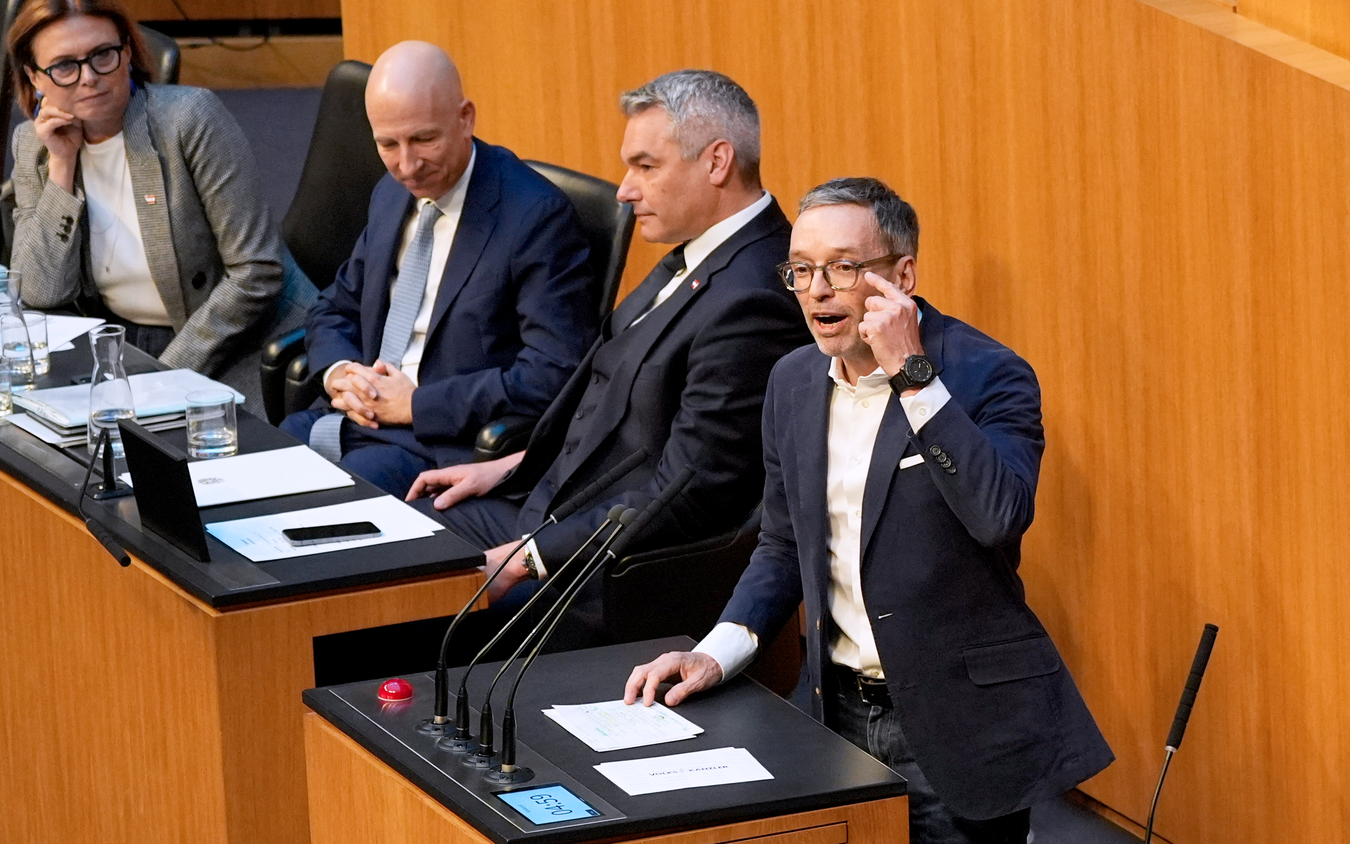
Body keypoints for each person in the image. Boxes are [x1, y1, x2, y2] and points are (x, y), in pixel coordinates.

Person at [623, 178, 1113, 844]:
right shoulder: (792, 382)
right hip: (834, 714)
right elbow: (780, 544)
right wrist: (716, 651)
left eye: (844, 267)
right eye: (801, 270)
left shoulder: (988, 376)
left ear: (901, 274)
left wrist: (914, 374)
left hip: (957, 729)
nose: (817, 289)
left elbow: (998, 516)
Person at [406, 70, 808, 644]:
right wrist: (507, 467)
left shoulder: (752, 297)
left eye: (646, 167)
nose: (624, 189)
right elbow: (611, 400)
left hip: (609, 573)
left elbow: (687, 491)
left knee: (393, 610)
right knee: (390, 550)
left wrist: (526, 559)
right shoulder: (693, 253)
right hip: (550, 508)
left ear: (717, 162)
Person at [279, 41, 597, 497]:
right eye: (388, 144)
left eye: (424, 139)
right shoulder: (390, 194)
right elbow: (334, 307)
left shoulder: (536, 218)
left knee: (321, 510)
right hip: (352, 418)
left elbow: (553, 373)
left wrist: (416, 404)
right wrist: (342, 373)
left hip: (438, 443)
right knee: (248, 474)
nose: (407, 166)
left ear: (465, 117)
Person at [8, 0, 313, 415]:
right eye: (64, 66)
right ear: (33, 76)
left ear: (128, 52)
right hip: (126, 342)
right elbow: (41, 291)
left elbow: (257, 270)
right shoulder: (35, 146)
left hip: (239, 339)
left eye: (103, 55)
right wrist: (61, 166)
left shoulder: (189, 120)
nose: (90, 78)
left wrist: (164, 378)